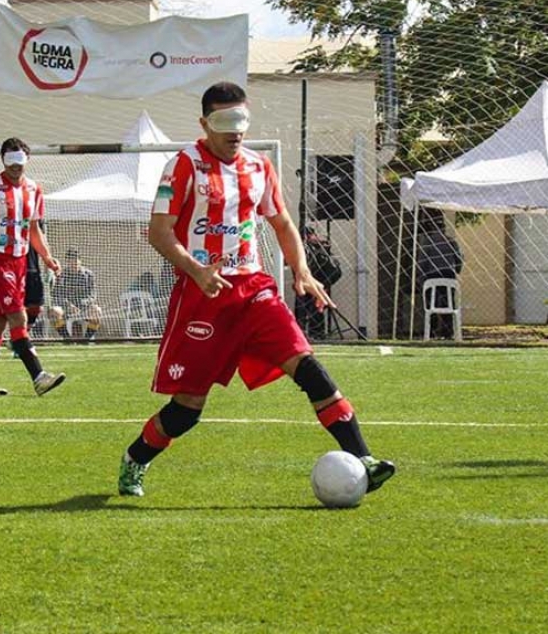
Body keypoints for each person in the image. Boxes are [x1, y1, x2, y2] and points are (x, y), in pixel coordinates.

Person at [116, 81, 395, 498]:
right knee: (187, 409)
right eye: (225, 122)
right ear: (205, 123)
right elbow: (158, 233)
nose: (235, 131)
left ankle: (364, 459)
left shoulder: (258, 166)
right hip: (203, 294)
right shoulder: (182, 166)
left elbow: (282, 223)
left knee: (308, 366)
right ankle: (135, 459)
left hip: (254, 288)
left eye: (241, 121)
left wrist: (302, 270)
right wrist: (196, 270)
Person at [0, 137, 66, 396]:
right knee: (18, 316)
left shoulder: (34, 189)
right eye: (11, 162)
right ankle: (39, 376)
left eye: (20, 162)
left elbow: (34, 229)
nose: (15, 167)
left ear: (27, 162)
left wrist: (47, 257)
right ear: (2, 161)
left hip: (19, 259)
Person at [416, 212, 463, 339]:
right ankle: (448, 332)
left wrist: (420, 278)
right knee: (448, 303)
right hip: (448, 276)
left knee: (430, 303)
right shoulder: (451, 242)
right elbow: (458, 259)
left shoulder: (427, 242)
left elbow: (422, 262)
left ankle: (430, 332)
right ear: (444, 228)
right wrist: (457, 270)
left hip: (431, 276)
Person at [48, 248, 103, 341]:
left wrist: (82, 303)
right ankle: (67, 339)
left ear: (80, 260)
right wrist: (68, 305)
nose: (73, 262)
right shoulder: (62, 275)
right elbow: (56, 295)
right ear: (67, 262)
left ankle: (86, 340)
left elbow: (93, 295)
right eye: (70, 260)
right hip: (66, 308)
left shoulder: (88, 275)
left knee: (97, 311)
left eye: (76, 259)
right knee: (53, 312)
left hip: (83, 308)